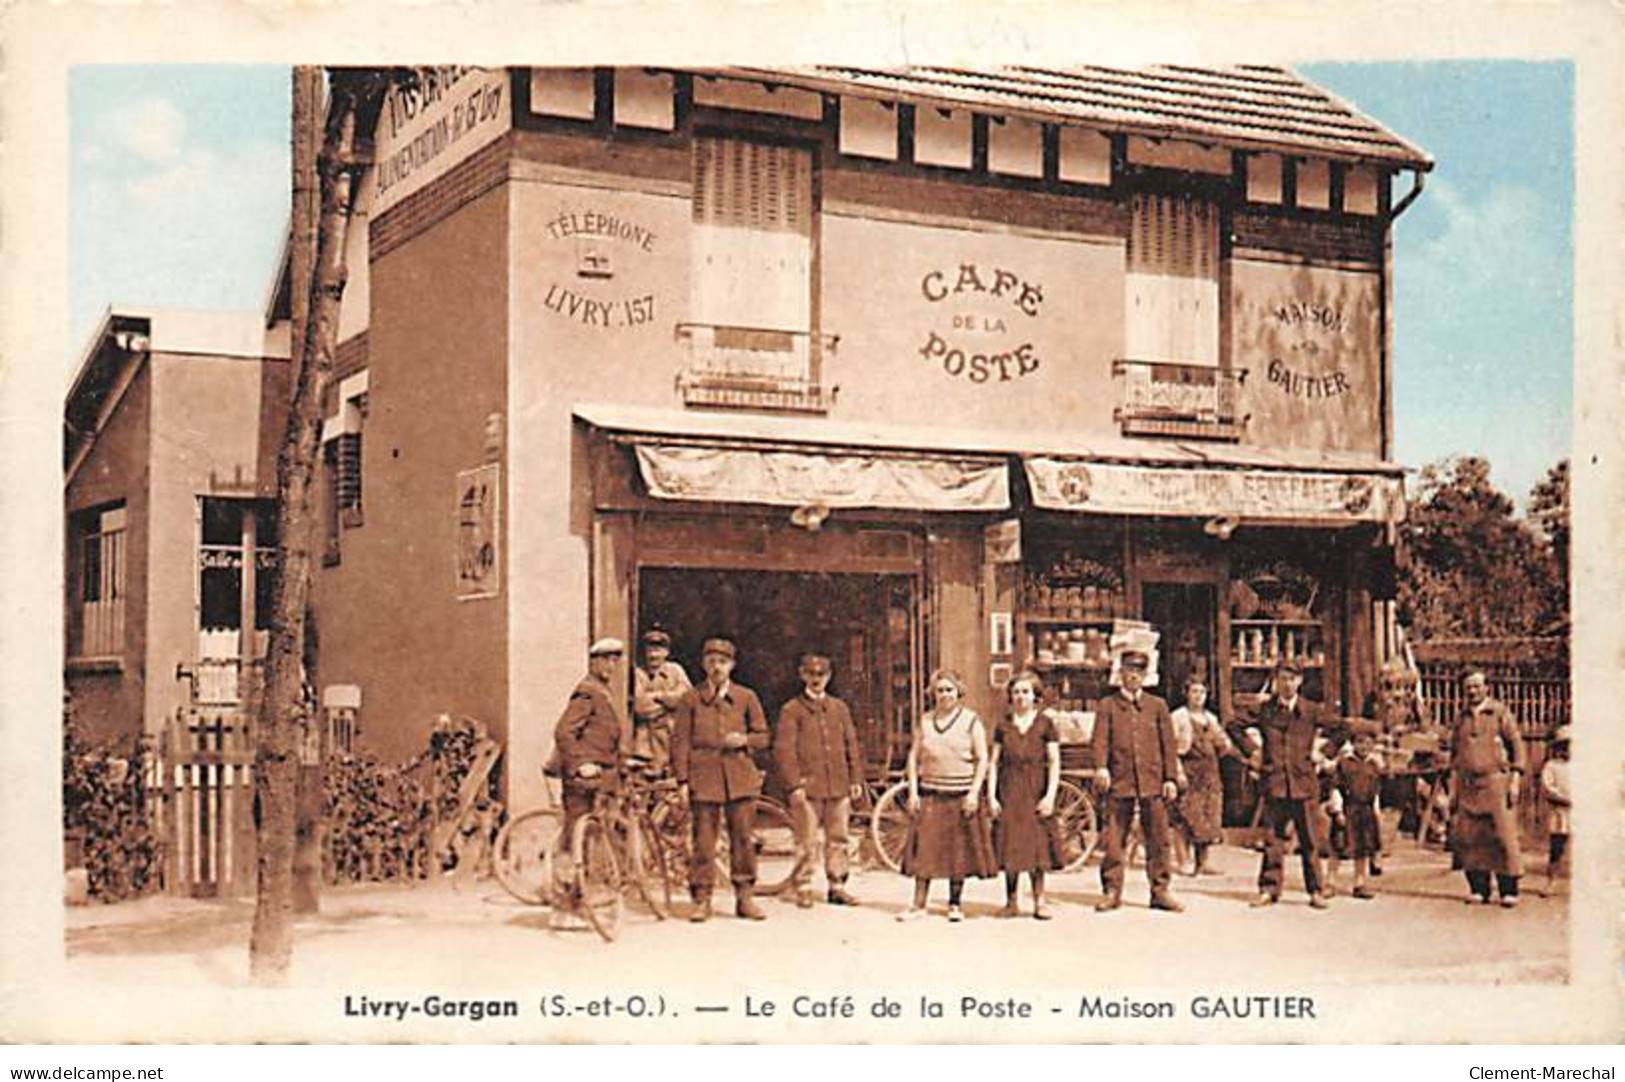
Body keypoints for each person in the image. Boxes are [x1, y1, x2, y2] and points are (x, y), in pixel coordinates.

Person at [1248, 657, 1371, 909]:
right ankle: (1269, 889)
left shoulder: (1311, 710)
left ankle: (1315, 890)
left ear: (1300, 681)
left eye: (1292, 679)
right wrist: (1253, 751)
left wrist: (1324, 752)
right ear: (1276, 681)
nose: (1287, 684)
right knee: (1273, 840)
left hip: (1304, 785)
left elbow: (1343, 729)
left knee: (1310, 840)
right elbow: (1233, 724)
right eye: (1282, 678)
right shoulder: (1266, 709)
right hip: (1275, 783)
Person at [671, 637, 771, 922]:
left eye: (723, 662)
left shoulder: (746, 697)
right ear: (704, 664)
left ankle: (745, 898)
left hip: (739, 777)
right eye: (712, 661)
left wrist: (745, 739)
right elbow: (680, 742)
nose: (717, 667)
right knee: (704, 841)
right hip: (704, 777)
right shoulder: (690, 699)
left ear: (732, 666)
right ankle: (702, 898)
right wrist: (681, 780)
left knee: (743, 839)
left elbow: (764, 736)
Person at [896, 668, 996, 923]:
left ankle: (954, 904)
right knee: (925, 851)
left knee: (958, 853)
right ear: (933, 693)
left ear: (958, 692)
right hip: (931, 793)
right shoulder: (926, 721)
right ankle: (918, 904)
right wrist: (913, 791)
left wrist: (974, 792)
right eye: (940, 690)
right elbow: (913, 756)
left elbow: (983, 758)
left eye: (949, 690)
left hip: (960, 794)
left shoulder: (971, 720)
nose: (945, 695)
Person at [1091, 650, 1183, 913]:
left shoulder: (1158, 706)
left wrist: (1170, 777)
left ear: (1145, 675)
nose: (1133, 676)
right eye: (1128, 671)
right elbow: (1099, 740)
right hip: (1119, 780)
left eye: (1138, 672)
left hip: (1152, 781)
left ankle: (1160, 890)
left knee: (1158, 838)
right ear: (1120, 674)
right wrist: (1100, 767)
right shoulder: (1107, 706)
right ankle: (1111, 890)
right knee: (1114, 838)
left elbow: (1169, 745)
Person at [774, 652, 865, 909]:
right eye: (811, 674)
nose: (816, 680)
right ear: (802, 675)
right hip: (807, 787)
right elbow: (785, 750)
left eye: (821, 675)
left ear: (829, 676)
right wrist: (794, 784)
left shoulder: (839, 708)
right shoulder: (792, 710)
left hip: (838, 784)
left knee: (839, 837)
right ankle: (803, 886)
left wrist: (855, 778)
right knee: (807, 839)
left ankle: (837, 886)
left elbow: (851, 744)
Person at [988, 670, 1062, 919]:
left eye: (1026, 692)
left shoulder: (1045, 724)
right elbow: (993, 762)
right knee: (1010, 844)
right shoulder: (1003, 725)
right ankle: (1011, 901)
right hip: (1009, 789)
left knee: (1037, 845)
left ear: (1035, 696)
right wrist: (991, 796)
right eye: (1016, 692)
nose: (1020, 697)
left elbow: (1054, 762)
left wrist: (1050, 795)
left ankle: (1040, 901)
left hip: (1035, 789)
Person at [1450, 670, 1526, 907]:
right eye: (1468, 687)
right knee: (1471, 838)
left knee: (1502, 836)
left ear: (1486, 688)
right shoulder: (1460, 717)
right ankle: (1478, 889)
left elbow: (1517, 746)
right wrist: (1453, 788)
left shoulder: (1500, 713)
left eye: (1476, 686)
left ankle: (1508, 890)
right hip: (1468, 785)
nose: (1472, 691)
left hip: (1495, 782)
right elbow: (1453, 752)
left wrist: (1515, 779)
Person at [553, 638, 628, 859]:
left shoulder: (604, 691)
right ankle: (564, 883)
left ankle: (594, 882)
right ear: (593, 662)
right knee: (576, 833)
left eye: (615, 661)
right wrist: (581, 764)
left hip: (602, 773)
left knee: (600, 830)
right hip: (583, 776)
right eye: (606, 661)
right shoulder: (587, 691)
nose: (611, 667)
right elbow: (563, 732)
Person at [1170, 676, 1239, 877]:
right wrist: (1177, 772)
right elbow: (1171, 749)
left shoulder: (1210, 718)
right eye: (1194, 692)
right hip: (1188, 770)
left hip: (1209, 772)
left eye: (1202, 692)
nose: (1198, 696)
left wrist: (1227, 745)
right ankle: (1184, 861)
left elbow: (1222, 742)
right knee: (1185, 816)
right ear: (1186, 694)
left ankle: (1203, 862)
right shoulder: (1178, 717)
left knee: (1208, 817)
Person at [1331, 730, 1384, 900]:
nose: (1364, 747)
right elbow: (1336, 788)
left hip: (1366, 811)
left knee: (1363, 848)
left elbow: (1376, 793)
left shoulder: (1374, 766)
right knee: (1339, 847)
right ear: (1353, 744)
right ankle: (1329, 882)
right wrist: (1338, 811)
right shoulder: (1345, 764)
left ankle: (1359, 883)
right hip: (1348, 809)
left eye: (1368, 743)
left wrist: (1376, 812)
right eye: (1360, 742)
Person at [632, 628, 691, 774]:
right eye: (650, 651)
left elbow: (687, 699)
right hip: (646, 742)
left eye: (658, 651)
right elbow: (640, 707)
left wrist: (657, 696)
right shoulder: (638, 673)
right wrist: (668, 702)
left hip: (671, 737)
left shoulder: (675, 671)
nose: (653, 655)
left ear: (666, 652)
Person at [1539, 725, 1571, 891]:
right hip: (1560, 811)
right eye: (1564, 745)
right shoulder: (1552, 766)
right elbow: (1547, 787)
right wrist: (1562, 797)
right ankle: (1551, 881)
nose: (1568, 749)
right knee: (1557, 847)